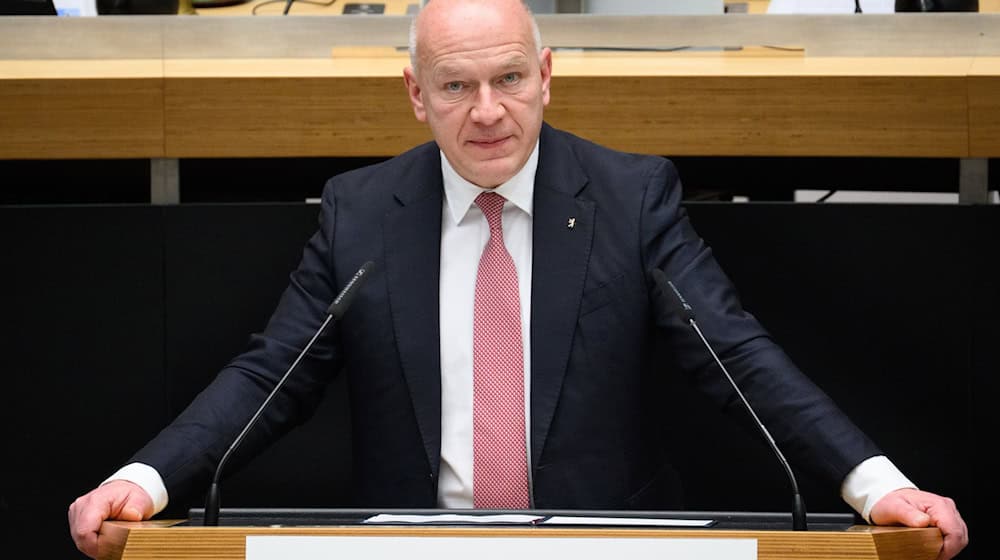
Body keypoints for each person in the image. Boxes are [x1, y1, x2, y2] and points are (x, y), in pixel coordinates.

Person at [68, 1, 969, 558]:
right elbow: (274, 373)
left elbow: (735, 355)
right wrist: (146, 481)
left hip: (603, 549)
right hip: (413, 552)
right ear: (415, 94)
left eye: (508, 78)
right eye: (455, 87)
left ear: (545, 77)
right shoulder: (361, 211)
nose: (488, 112)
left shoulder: (629, 196)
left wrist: (876, 486)